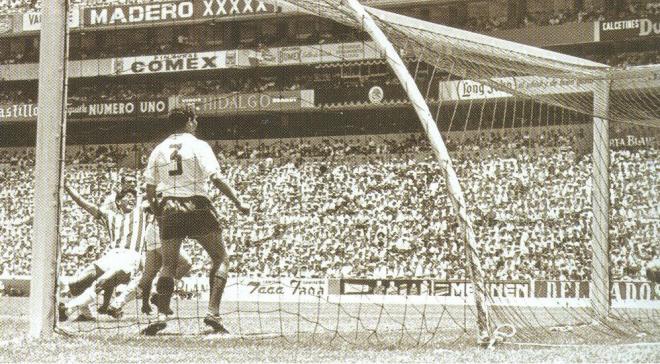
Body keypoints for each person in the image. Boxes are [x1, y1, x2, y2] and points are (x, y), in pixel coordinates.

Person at [142, 107, 250, 336]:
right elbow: (216, 177)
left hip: (169, 207)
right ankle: (212, 313)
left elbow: (149, 187)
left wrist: (157, 211)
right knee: (220, 257)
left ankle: (161, 315)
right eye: (195, 119)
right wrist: (238, 202)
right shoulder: (199, 145)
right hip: (196, 204)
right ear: (190, 121)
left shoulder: (159, 149)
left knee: (168, 264)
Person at [59, 183, 145, 321]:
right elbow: (84, 204)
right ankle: (85, 314)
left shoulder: (142, 212)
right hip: (111, 256)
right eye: (128, 196)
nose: (132, 199)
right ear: (118, 201)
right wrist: (67, 187)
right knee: (78, 283)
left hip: (130, 257)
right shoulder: (109, 216)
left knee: (101, 282)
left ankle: (68, 309)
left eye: (134, 197)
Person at [106, 205, 192, 316]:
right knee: (186, 263)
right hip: (161, 232)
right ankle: (159, 294)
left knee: (147, 276)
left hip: (153, 232)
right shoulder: (172, 196)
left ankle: (116, 304)